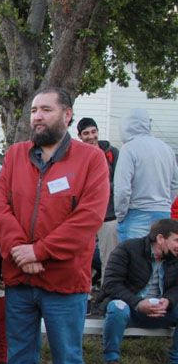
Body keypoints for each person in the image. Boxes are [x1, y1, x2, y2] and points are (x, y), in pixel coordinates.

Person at [0, 87, 109, 364]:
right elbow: (0, 208)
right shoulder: (15, 156)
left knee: (67, 359)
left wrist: (39, 251)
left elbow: (88, 219)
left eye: (46, 110)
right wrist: (20, 254)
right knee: (20, 355)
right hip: (21, 280)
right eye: (34, 110)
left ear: (67, 115)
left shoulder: (91, 160)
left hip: (64, 283)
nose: (37, 116)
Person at [98, 219, 178, 364]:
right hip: (129, 308)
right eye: (177, 240)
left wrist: (168, 300)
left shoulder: (174, 257)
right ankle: (111, 362)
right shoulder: (128, 249)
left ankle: (175, 363)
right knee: (117, 307)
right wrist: (137, 303)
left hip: (160, 311)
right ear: (161, 238)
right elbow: (111, 284)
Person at [114, 109, 178, 242]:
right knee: (159, 259)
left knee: (135, 259)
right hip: (163, 213)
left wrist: (120, 215)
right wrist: (165, 203)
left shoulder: (129, 149)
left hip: (136, 214)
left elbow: (122, 189)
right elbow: (175, 184)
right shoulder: (166, 149)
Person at [77, 117, 118, 278]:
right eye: (86, 133)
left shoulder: (111, 153)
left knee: (109, 257)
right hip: (83, 214)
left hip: (108, 214)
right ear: (79, 135)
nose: (91, 136)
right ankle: (83, 292)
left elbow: (120, 182)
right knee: (80, 257)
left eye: (94, 132)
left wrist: (100, 189)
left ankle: (106, 293)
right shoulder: (74, 155)